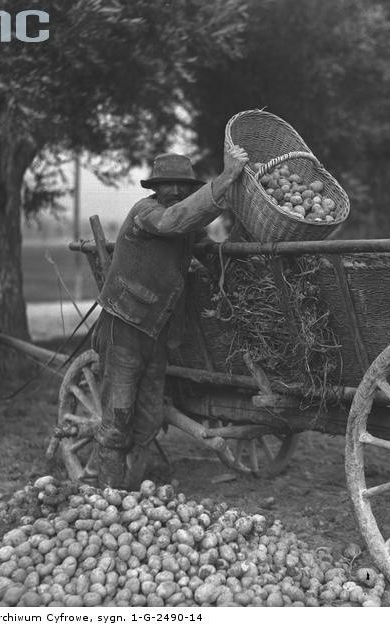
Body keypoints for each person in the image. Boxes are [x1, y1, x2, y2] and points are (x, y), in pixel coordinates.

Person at [85, 145, 248, 489]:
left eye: (182, 186)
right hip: (124, 328)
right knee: (119, 414)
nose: (175, 191)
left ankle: (131, 488)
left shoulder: (188, 228)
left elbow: (210, 248)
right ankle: (105, 495)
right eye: (168, 185)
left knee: (147, 417)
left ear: (189, 189)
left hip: (155, 335)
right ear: (155, 188)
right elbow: (176, 220)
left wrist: (238, 252)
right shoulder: (148, 213)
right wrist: (226, 178)